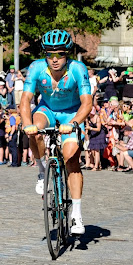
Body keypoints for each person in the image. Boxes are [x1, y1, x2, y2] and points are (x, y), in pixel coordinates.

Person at [20, 29, 92, 235]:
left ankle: (76, 214)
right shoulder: (36, 68)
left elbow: (87, 102)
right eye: (49, 54)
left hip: (71, 114)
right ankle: (42, 171)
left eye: (59, 54)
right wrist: (27, 125)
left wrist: (75, 122)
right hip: (48, 110)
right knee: (35, 127)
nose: (54, 59)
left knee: (71, 159)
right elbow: (25, 99)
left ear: (66, 54)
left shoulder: (78, 69)